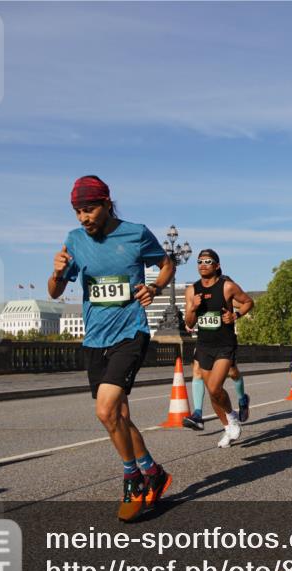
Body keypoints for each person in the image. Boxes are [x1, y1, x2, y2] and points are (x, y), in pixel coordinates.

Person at [48, 175, 174, 523]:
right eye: (77, 211)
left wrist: (155, 289)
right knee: (119, 417)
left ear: (106, 204)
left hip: (129, 333)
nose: (82, 218)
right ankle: (154, 472)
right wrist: (57, 273)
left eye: (88, 210)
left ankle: (132, 478)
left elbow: (167, 264)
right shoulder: (74, 240)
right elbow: (55, 293)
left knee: (105, 412)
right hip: (94, 339)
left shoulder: (135, 233)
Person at [184, 250, 254, 448]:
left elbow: (249, 301)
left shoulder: (227, 286)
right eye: (200, 261)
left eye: (208, 261)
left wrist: (236, 315)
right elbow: (189, 323)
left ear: (216, 265)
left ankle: (232, 417)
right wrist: (192, 308)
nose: (203, 264)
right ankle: (228, 427)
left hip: (224, 344)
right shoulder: (191, 291)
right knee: (213, 392)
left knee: (215, 387)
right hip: (204, 345)